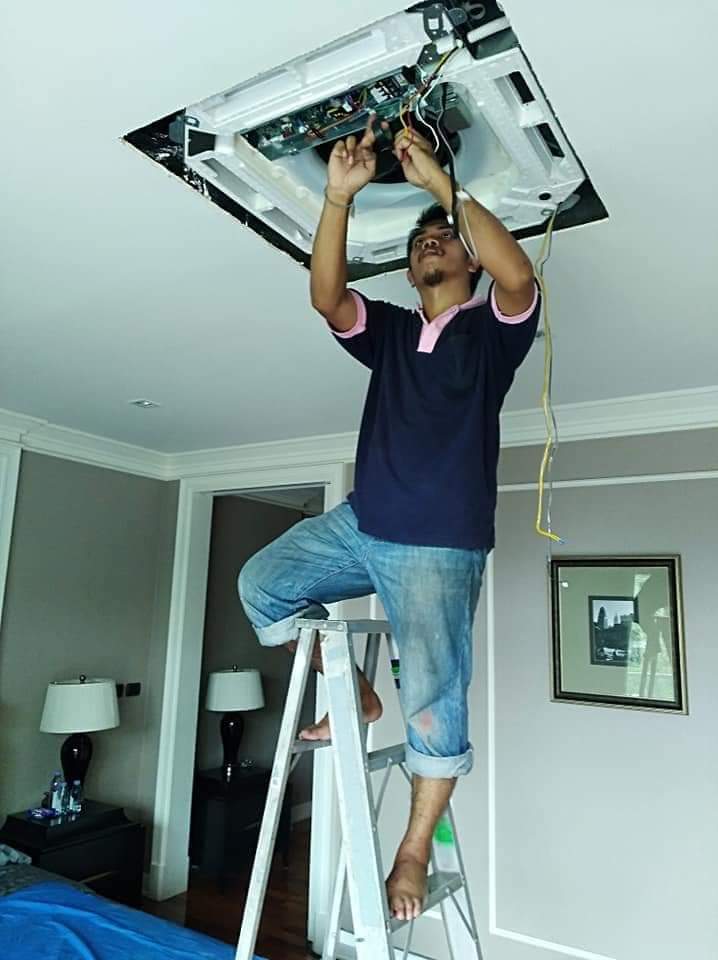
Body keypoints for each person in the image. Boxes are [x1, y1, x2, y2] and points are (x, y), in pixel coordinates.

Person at [238, 112, 539, 922]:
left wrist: (439, 183)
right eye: (419, 242)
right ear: (409, 273)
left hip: (439, 546)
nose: (429, 243)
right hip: (361, 523)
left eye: (444, 238)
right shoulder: (396, 331)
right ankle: (359, 697)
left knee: (436, 703)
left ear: (468, 259)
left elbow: (518, 277)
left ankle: (411, 851)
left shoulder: (493, 333)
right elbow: (327, 297)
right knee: (262, 585)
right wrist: (338, 197)